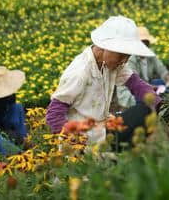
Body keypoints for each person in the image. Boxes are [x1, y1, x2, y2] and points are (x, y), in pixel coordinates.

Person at [45, 16, 161, 145]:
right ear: (104, 46)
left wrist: (159, 104)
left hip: (103, 129)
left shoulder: (113, 64)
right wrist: (73, 141)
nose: (124, 61)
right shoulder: (80, 73)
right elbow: (54, 114)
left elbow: (135, 83)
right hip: (84, 140)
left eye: (128, 56)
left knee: (144, 112)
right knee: (140, 114)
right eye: (121, 55)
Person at [116, 26, 169, 108]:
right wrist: (155, 88)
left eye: (146, 43)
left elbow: (162, 70)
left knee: (164, 85)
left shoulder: (150, 54)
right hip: (131, 92)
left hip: (146, 86)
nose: (144, 46)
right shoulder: (130, 59)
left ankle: (163, 103)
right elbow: (136, 84)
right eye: (142, 43)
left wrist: (168, 80)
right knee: (155, 98)